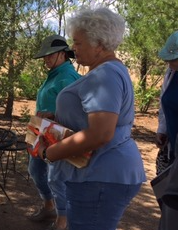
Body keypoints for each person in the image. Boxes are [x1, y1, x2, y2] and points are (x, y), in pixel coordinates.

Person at [36, 7, 146, 230]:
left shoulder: (104, 74)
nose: (73, 49)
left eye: (78, 43)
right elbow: (97, 119)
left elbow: (100, 133)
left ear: (100, 43)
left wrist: (50, 153)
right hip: (99, 172)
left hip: (101, 174)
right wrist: (57, 117)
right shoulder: (108, 71)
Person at [28, 35, 81, 230]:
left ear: (62, 54)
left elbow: (76, 112)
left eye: (49, 55)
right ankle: (48, 205)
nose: (46, 59)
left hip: (58, 135)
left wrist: (53, 115)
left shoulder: (68, 78)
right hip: (42, 133)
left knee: (56, 178)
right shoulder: (55, 74)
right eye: (44, 56)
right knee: (35, 170)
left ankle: (63, 219)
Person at [155, 30, 178, 230]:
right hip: (172, 145)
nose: (170, 63)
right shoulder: (171, 73)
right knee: (168, 199)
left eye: (175, 59)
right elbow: (165, 103)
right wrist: (162, 129)